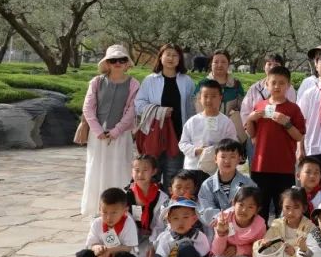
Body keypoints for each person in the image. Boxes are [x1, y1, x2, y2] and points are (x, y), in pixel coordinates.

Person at [80, 44, 141, 218]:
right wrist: (98, 130)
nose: (118, 63)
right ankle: (97, 208)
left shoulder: (134, 84)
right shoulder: (96, 82)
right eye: (113, 60)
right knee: (96, 168)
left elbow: (132, 110)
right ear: (107, 63)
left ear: (127, 63)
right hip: (98, 135)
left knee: (119, 168)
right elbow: (88, 107)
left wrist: (117, 130)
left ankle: (120, 209)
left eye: (122, 59)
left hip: (121, 135)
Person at [244, 65, 306, 219]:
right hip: (261, 167)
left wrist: (287, 123)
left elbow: (299, 136)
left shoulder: (293, 109)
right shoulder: (260, 106)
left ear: (288, 85)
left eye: (282, 83)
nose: (277, 86)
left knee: (283, 210)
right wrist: (250, 119)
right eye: (273, 82)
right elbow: (252, 134)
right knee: (260, 209)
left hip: (284, 168)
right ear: (267, 84)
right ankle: (260, 234)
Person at [134, 43, 195, 188]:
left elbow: (192, 108)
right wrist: (158, 111)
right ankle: (149, 203)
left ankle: (169, 204)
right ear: (160, 57)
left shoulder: (186, 81)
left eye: (175, 55)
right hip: (154, 136)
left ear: (180, 59)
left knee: (173, 179)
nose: (171, 58)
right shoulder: (150, 80)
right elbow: (138, 105)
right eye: (168, 54)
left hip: (178, 136)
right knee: (151, 177)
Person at [73, 187, 140, 257]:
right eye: (104, 212)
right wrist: (97, 248)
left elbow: (128, 247)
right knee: (82, 256)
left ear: (125, 211)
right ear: (100, 209)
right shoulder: (97, 223)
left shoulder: (128, 223)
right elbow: (92, 243)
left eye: (114, 213)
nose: (109, 217)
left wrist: (108, 251)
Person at [257, 186, 313, 257]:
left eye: (296, 207)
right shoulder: (276, 224)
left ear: (304, 208)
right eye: (287, 208)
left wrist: (295, 252)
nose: (291, 212)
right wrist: (265, 244)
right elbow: (267, 241)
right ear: (281, 207)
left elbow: (313, 252)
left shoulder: (309, 226)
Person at [179, 78, 238, 186]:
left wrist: (215, 150)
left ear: (220, 98)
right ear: (199, 98)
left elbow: (232, 144)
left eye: (213, 96)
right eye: (205, 96)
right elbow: (183, 143)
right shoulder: (192, 121)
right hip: (193, 167)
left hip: (215, 169)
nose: (209, 100)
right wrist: (197, 150)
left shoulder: (226, 122)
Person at [211, 185, 267, 257]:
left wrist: (239, 250)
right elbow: (216, 251)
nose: (244, 210)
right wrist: (221, 233)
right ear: (233, 203)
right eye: (241, 205)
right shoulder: (223, 219)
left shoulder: (259, 225)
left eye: (250, 207)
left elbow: (259, 249)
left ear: (257, 210)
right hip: (224, 253)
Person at [198, 139, 256, 226]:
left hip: (242, 229)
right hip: (216, 230)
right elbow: (205, 212)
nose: (227, 161)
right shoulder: (207, 185)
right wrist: (223, 218)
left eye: (232, 157)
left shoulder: (248, 184)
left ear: (239, 159)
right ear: (215, 159)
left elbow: (253, 207)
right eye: (223, 157)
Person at [124, 154, 168, 257]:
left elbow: (160, 225)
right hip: (128, 236)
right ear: (131, 171)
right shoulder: (125, 195)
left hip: (151, 237)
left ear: (154, 171)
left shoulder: (162, 197)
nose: (140, 174)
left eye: (145, 170)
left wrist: (153, 244)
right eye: (137, 170)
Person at [240, 53, 296, 131]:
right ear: (264, 67)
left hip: (281, 132)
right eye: (269, 64)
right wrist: (249, 131)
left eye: (276, 65)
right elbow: (245, 110)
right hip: (257, 133)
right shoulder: (255, 88)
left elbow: (292, 112)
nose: (272, 67)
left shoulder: (289, 89)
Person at [195, 50, 245, 123]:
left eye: (223, 62)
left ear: (228, 64)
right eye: (216, 62)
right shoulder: (202, 84)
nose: (219, 65)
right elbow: (197, 110)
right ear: (211, 64)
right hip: (208, 126)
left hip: (230, 127)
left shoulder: (236, 84)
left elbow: (244, 108)